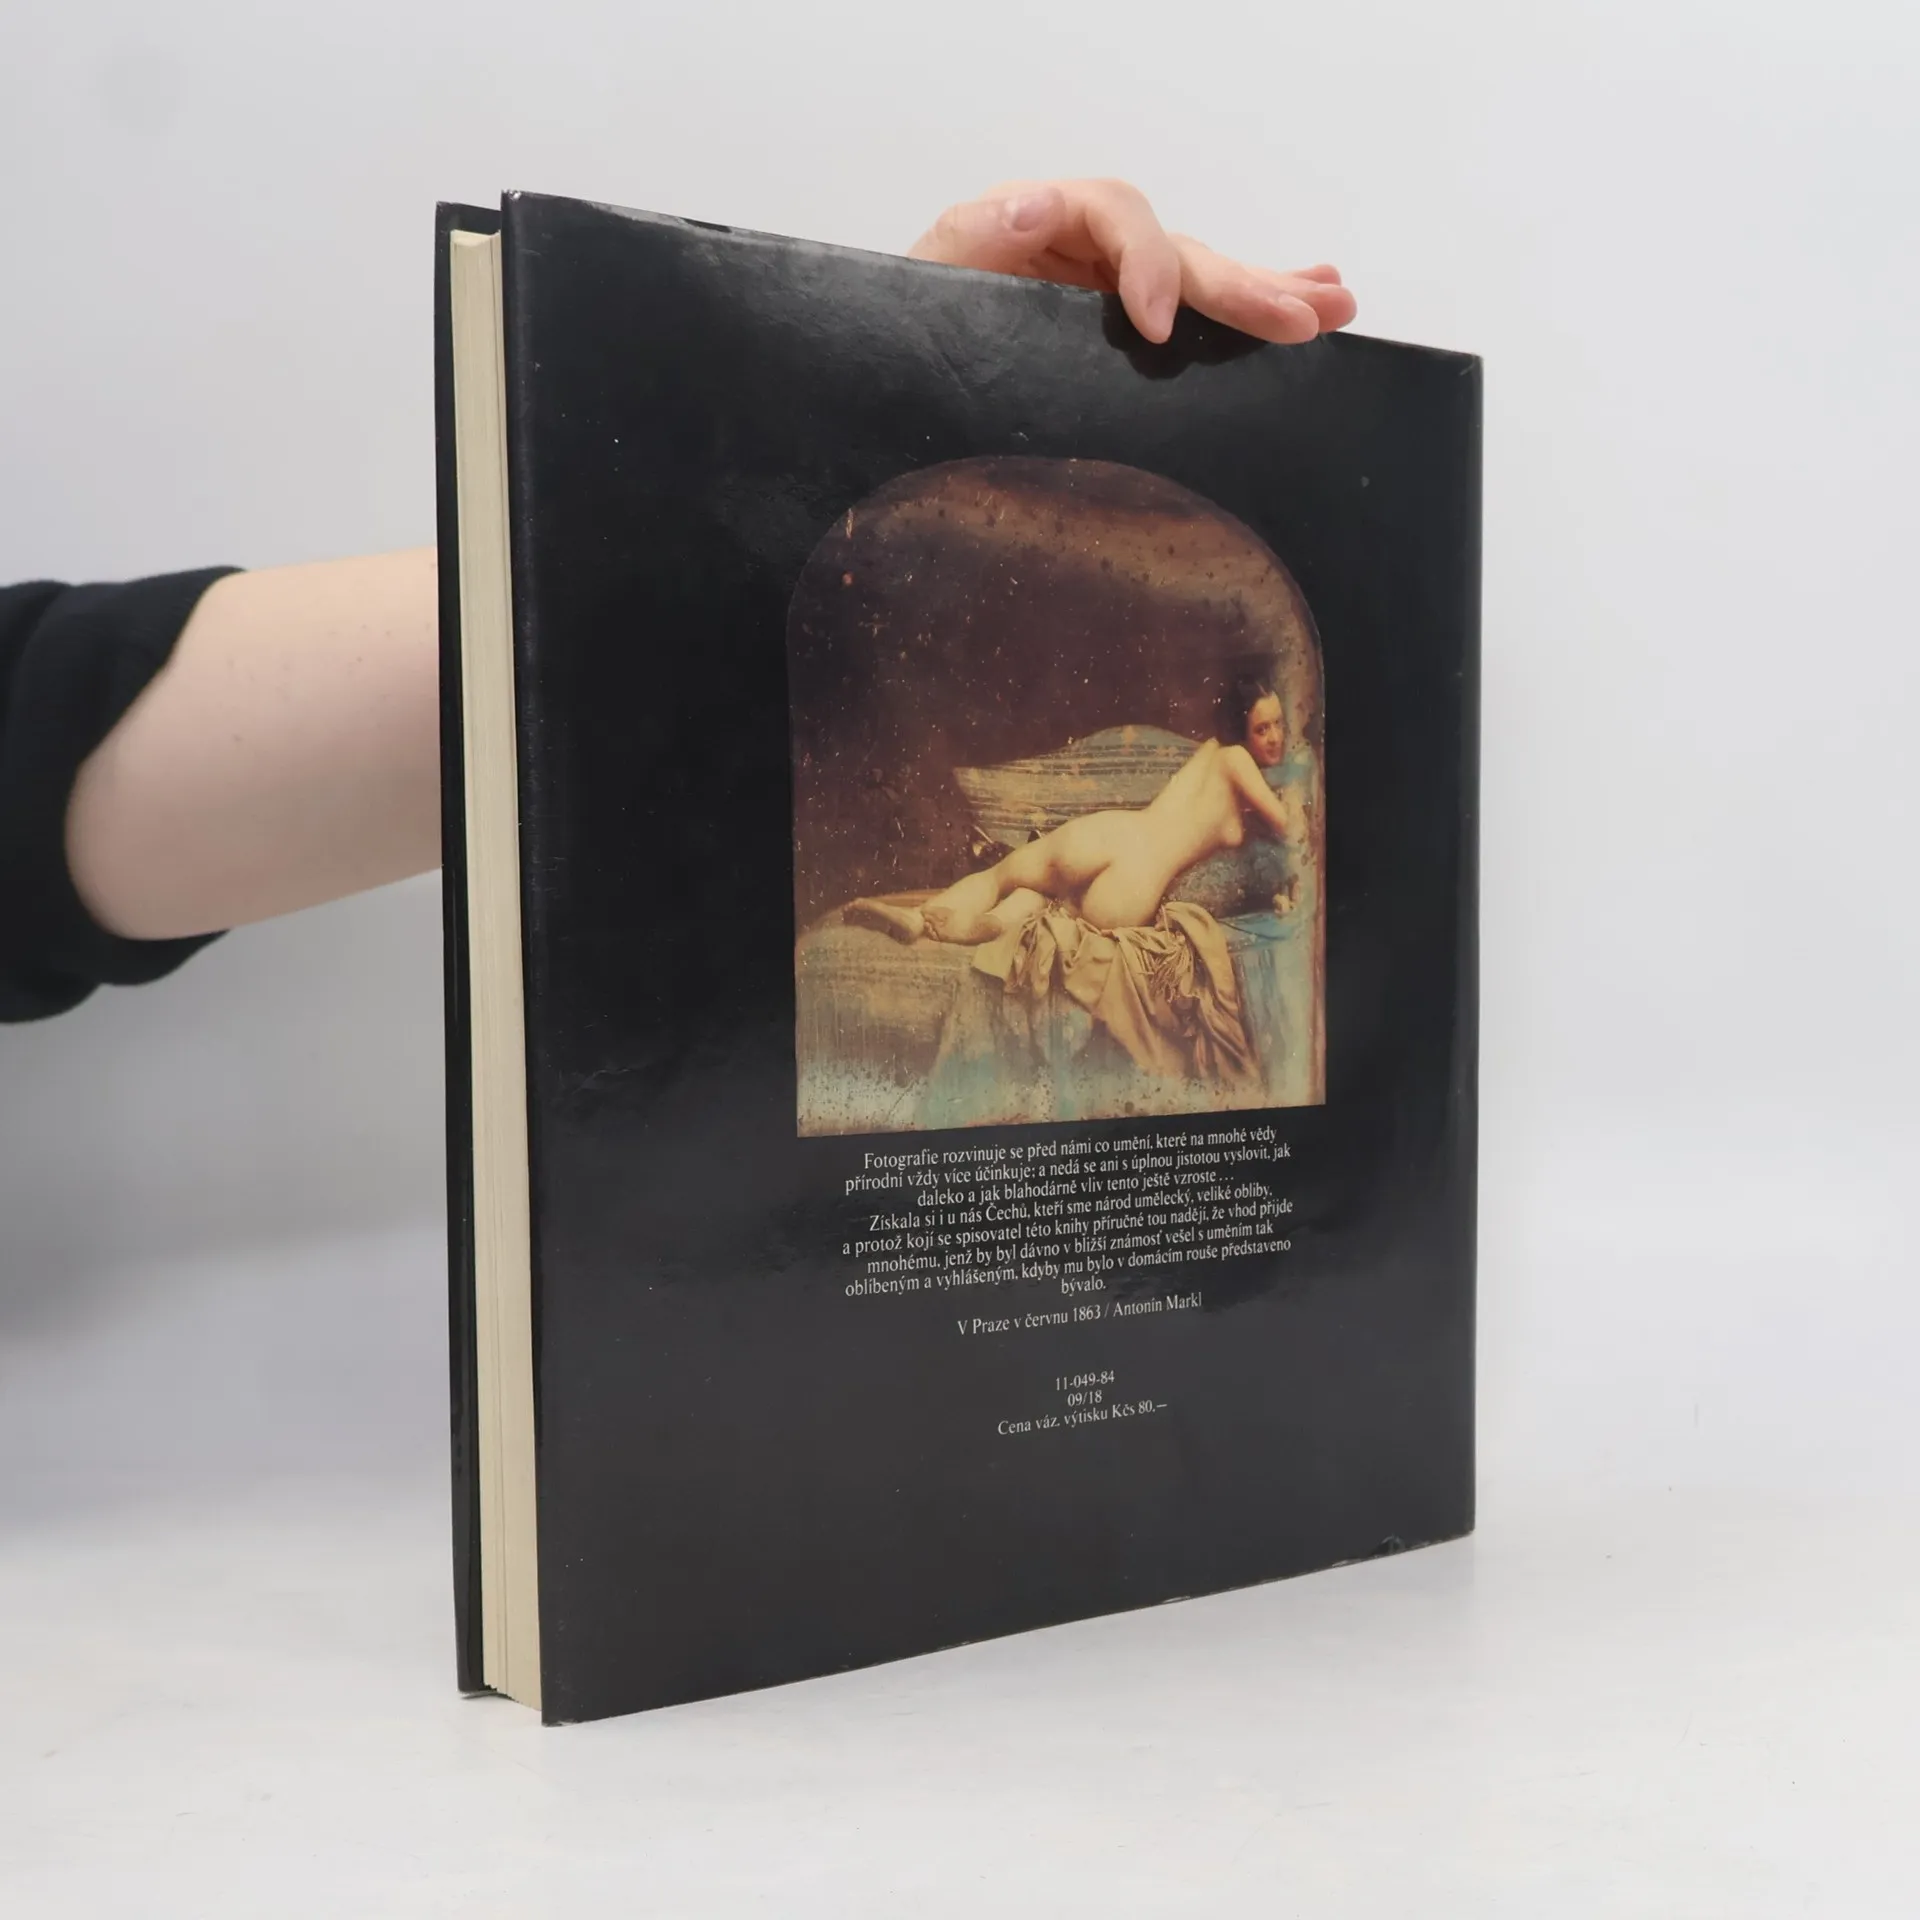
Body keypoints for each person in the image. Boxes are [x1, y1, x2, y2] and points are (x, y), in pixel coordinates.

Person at [0, 179, 1354, 1023]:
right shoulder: (1227, 763)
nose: (1266, 734)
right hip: (1096, 852)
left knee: (1008, 900)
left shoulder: (1237, 767)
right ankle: (928, 912)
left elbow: (39, 747)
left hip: (1114, 864)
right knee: (996, 893)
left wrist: (831, 462)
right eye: (1263, 723)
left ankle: (943, 911)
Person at [846, 675, 1302, 946]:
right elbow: (1290, 830)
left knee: (1001, 877)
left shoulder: (1209, 752)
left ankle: (932, 920)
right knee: (1059, 913)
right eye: (1262, 728)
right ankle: (988, 926)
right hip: (1135, 884)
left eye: (1279, 724)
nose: (1276, 737)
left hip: (1108, 835)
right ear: (1241, 730)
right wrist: (1298, 792)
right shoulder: (1236, 760)